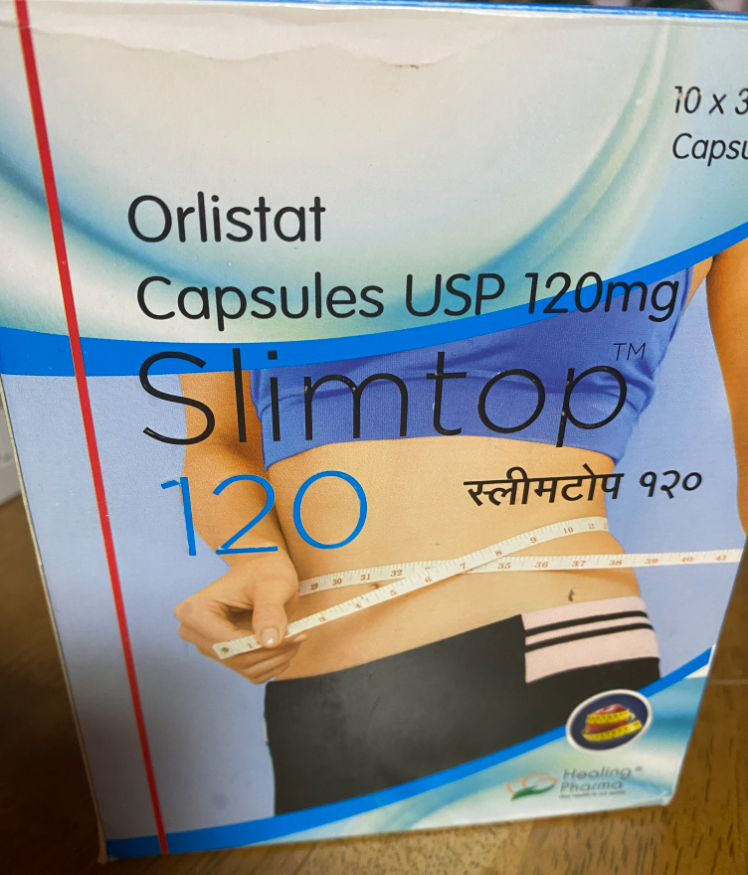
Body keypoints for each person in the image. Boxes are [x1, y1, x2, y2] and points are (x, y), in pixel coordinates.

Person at [175, 239, 748, 814]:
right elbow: (217, 444)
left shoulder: (709, 187)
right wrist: (255, 556)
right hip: (317, 709)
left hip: (554, 651)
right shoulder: (241, 194)